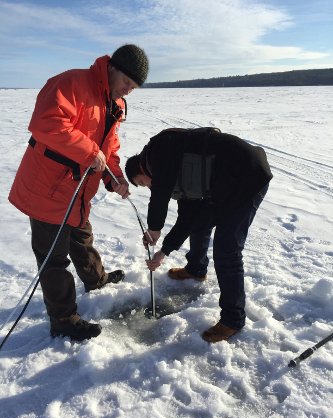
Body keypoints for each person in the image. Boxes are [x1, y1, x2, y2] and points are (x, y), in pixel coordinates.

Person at [8, 44, 149, 341]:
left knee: (82, 238)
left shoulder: (116, 104)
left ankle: (95, 280)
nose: (128, 91)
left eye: (134, 87)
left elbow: (109, 150)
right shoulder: (71, 83)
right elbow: (46, 123)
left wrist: (115, 179)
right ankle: (63, 318)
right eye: (127, 83)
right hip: (47, 188)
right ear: (112, 68)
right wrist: (88, 151)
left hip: (77, 191)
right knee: (54, 257)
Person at [125, 127, 273, 343]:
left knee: (227, 250)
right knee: (200, 222)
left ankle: (233, 319)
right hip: (228, 182)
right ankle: (195, 268)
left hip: (248, 175)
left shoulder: (158, 152)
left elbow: (160, 190)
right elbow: (188, 217)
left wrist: (154, 226)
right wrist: (163, 252)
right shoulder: (175, 171)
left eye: (141, 183)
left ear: (140, 169)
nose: (148, 187)